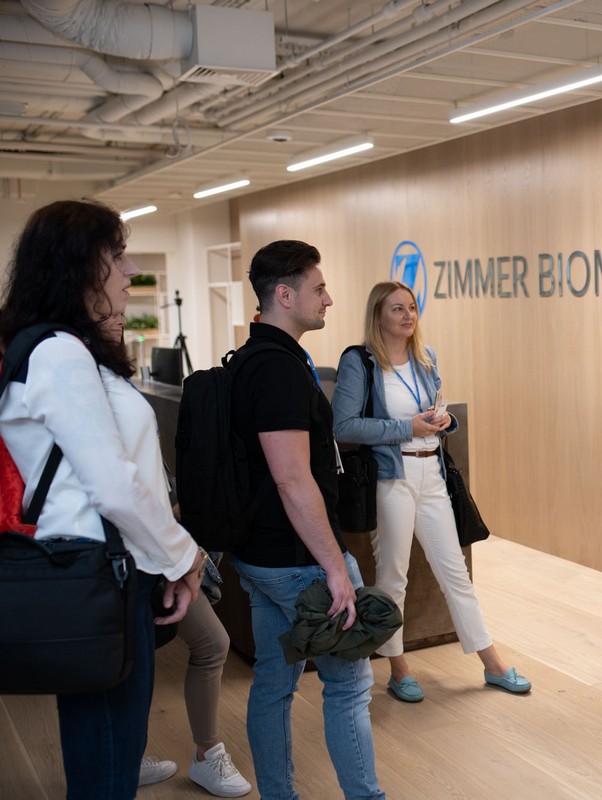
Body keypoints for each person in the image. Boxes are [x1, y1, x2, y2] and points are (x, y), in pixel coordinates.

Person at [0, 199, 204, 798]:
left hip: (111, 571)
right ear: (79, 265)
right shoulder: (58, 352)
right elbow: (112, 484)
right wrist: (184, 557)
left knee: (104, 757)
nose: (130, 269)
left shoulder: (59, 347)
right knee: (108, 770)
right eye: (117, 255)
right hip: (100, 576)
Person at [226, 240, 385, 800]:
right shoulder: (277, 371)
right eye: (319, 289)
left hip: (262, 556)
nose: (329, 299)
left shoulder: (255, 358)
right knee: (349, 687)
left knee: (273, 683)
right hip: (299, 561)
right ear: (285, 295)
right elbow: (293, 480)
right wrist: (336, 569)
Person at [332, 281, 531, 702]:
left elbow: (437, 412)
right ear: (378, 315)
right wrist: (408, 427)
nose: (408, 315)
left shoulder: (426, 357)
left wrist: (444, 422)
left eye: (412, 307)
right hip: (392, 477)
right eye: (397, 309)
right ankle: (398, 668)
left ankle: (492, 663)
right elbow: (344, 426)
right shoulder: (359, 361)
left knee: (455, 571)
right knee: (393, 577)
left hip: (432, 472)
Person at [138, 565, 252, 797]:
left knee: (212, 643)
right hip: (120, 563)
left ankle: (207, 754)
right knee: (127, 653)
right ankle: (125, 758)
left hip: (165, 564)